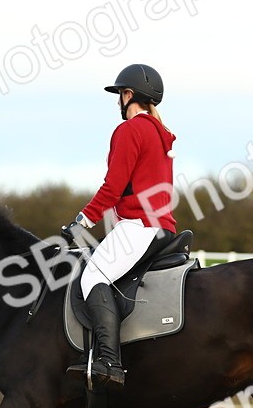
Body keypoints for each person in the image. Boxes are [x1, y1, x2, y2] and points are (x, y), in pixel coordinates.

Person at [62, 63, 177, 390]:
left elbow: (114, 187)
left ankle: (109, 361)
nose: (118, 102)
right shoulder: (160, 133)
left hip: (139, 225)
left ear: (129, 95)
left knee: (93, 276)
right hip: (161, 225)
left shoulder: (129, 131)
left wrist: (83, 220)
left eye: (120, 95)